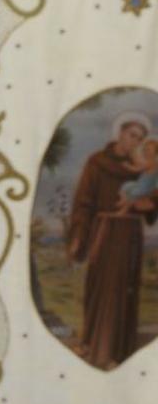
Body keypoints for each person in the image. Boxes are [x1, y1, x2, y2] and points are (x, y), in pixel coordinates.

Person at [66, 112, 157, 369]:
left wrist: (148, 204)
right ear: (120, 133)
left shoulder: (143, 167)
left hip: (130, 235)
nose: (134, 142)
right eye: (131, 135)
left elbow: (153, 195)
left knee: (123, 289)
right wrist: (78, 239)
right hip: (103, 231)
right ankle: (92, 344)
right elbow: (83, 203)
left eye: (140, 138)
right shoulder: (97, 163)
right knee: (99, 286)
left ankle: (118, 350)